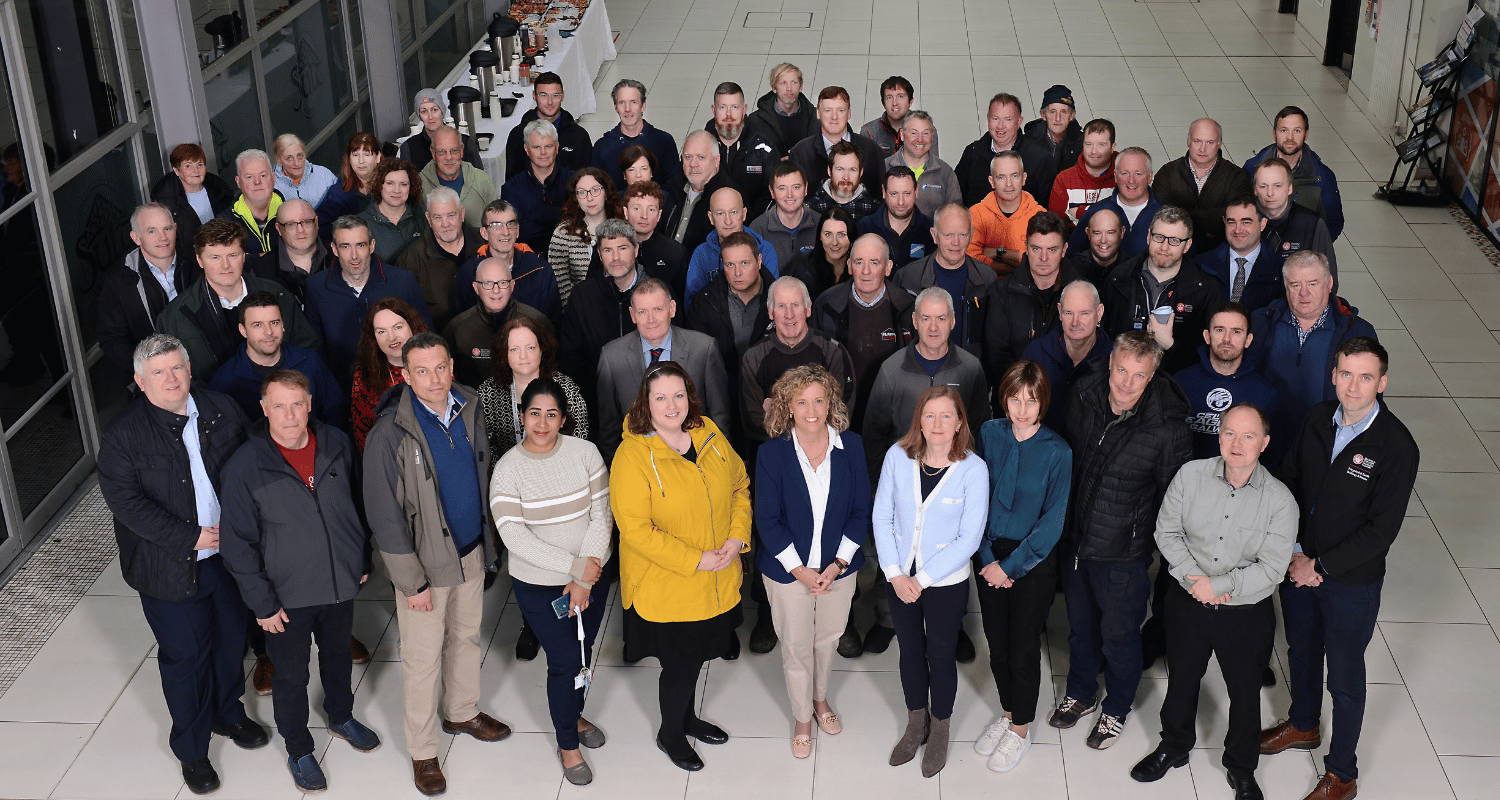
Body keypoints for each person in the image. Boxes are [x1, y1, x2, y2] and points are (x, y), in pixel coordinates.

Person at [96, 334, 266, 795]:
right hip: (168, 568)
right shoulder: (122, 436)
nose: (170, 379)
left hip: (228, 560)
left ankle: (228, 714)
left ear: (190, 370)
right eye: (158, 372)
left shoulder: (221, 409)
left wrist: (244, 523)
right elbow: (127, 506)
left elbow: (250, 465)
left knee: (230, 644)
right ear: (140, 381)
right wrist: (191, 538)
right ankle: (192, 751)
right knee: (185, 659)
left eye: (177, 368)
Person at [1260, 338, 1418, 800]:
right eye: (1345, 374)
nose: (1353, 386)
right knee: (1301, 650)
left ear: (1382, 383)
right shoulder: (1317, 418)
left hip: (1350, 583)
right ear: (1333, 375)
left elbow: (1381, 531)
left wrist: (1320, 566)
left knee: (1345, 680)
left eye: (1365, 377)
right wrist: (1294, 552)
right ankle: (1303, 724)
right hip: (1298, 565)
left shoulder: (1397, 446)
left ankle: (1342, 774)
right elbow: (1288, 481)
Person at [364, 333, 512, 796]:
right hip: (424, 566)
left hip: (471, 550)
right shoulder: (389, 432)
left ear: (451, 366)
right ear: (406, 376)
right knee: (422, 660)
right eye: (422, 371)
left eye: (440, 367)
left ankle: (462, 712)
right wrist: (411, 583)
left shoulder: (469, 406)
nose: (434, 379)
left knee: (466, 636)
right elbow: (384, 516)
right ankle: (423, 751)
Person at [219, 369, 380, 792]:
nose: (289, 415)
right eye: (279, 406)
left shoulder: (336, 443)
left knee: (338, 657)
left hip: (339, 582)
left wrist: (362, 558)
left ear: (309, 404)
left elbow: (357, 506)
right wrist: (262, 603)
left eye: (296, 404)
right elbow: (236, 544)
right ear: (264, 408)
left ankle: (341, 717)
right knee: (290, 676)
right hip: (285, 595)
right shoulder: (245, 466)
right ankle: (299, 749)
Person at [1130, 403, 1297, 800]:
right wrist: (1197, 582)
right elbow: (1167, 532)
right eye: (1229, 433)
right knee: (1182, 679)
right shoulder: (1190, 476)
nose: (1237, 444)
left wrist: (1218, 585)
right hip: (1188, 600)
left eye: (1248, 436)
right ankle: (1174, 745)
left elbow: (1272, 569)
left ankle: (1241, 768)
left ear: (1264, 443)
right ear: (1219, 436)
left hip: (1245, 612)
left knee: (1244, 693)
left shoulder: (1280, 501)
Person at [1050, 331, 1191, 750]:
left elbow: (1173, 501)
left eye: (1139, 375)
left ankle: (1116, 708)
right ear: (1111, 363)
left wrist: (1144, 546)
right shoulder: (1084, 395)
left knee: (1120, 637)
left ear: (1152, 376)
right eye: (1122, 371)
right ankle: (1082, 692)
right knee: (1080, 628)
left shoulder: (1167, 428)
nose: (1127, 383)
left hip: (1123, 554)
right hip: (1077, 542)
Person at [610, 361, 750, 771]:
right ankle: (670, 734)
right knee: (680, 666)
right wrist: (696, 559)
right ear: (645, 403)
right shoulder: (632, 456)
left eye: (678, 395)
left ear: (689, 395)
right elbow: (636, 531)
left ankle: (687, 719)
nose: (671, 405)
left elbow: (739, 485)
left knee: (698, 657)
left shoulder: (708, 432)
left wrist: (736, 538)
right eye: (660, 397)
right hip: (668, 586)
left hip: (716, 579)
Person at [489, 378, 612, 785]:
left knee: (583, 651)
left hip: (593, 576)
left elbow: (602, 514)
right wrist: (574, 568)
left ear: (563, 419)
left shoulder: (585, 453)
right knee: (564, 661)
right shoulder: (507, 469)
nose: (542, 424)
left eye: (551, 414)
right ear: (521, 416)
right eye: (534, 414)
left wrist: (586, 576)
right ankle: (567, 743)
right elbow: (514, 536)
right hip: (542, 586)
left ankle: (572, 716)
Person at [754, 365, 870, 758]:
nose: (811, 410)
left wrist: (837, 565)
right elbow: (767, 520)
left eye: (819, 400)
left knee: (827, 639)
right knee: (796, 646)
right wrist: (801, 571)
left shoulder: (851, 446)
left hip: (839, 569)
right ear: (787, 407)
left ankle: (820, 700)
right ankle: (802, 717)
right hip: (789, 573)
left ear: (830, 403)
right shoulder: (771, 454)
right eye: (801, 402)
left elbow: (861, 511)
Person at [873, 385, 988, 777]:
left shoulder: (973, 469)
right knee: (909, 652)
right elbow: (882, 516)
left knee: (940, 656)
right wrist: (894, 573)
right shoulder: (897, 456)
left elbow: (969, 539)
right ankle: (915, 723)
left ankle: (940, 728)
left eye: (946, 416)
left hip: (945, 583)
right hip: (898, 577)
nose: (937, 424)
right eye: (929, 415)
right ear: (919, 421)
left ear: (959, 423)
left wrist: (919, 579)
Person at [971, 360, 1072, 773]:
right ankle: (1008, 712)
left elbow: (1052, 523)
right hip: (988, 554)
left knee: (1023, 649)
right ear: (1004, 399)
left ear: (1042, 402)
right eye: (1015, 399)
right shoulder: (989, 433)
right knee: (996, 646)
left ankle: (1021, 730)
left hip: (1031, 560)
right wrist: (985, 557)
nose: (1023, 409)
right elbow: (974, 496)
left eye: (1031, 400)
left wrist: (1009, 567)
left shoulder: (1058, 451)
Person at [1244, 250, 1375, 466]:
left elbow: (1370, 400)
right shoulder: (1260, 322)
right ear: (1286, 286)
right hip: (1266, 447)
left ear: (1329, 283)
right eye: (1295, 285)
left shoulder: (1357, 332)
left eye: (1312, 284)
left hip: (1326, 450)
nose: (1304, 293)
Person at [158, 218, 320, 386]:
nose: (225, 265)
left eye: (232, 255)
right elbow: (175, 378)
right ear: (200, 260)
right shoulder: (175, 317)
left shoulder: (277, 295)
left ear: (243, 256)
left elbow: (308, 348)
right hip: (216, 401)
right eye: (215, 257)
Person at [596, 278, 731, 463]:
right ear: (632, 314)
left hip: (697, 461)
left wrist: (720, 463)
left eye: (658, 309)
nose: (651, 319)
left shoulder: (703, 348)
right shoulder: (612, 357)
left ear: (672, 309)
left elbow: (720, 418)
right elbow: (608, 429)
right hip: (640, 465)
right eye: (642, 312)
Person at [304, 215, 432, 382]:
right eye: (345, 246)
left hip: (400, 384)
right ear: (334, 249)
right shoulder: (315, 287)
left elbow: (425, 338)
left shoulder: (403, 281)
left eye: (361, 245)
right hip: (342, 388)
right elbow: (315, 350)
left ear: (372, 246)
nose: (354, 255)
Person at [811, 234, 916, 431]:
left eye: (874, 263)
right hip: (839, 419)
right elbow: (814, 367)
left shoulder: (908, 308)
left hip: (893, 421)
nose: (866, 271)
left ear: (888, 267)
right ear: (850, 266)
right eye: (859, 262)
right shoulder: (825, 305)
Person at [1100, 206, 1219, 374]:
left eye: (1174, 240)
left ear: (1187, 245)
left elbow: (1210, 354)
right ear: (1149, 236)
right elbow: (1103, 340)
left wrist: (1170, 345)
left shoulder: (1206, 289)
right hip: (1125, 379)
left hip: (1175, 382)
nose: (1164, 247)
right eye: (1159, 237)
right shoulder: (1118, 279)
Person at [740, 276, 856, 447]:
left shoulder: (833, 352)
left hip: (824, 451)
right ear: (770, 312)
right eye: (781, 306)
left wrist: (777, 410)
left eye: (795, 305)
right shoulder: (753, 358)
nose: (789, 314)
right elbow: (753, 421)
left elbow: (841, 414)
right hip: (775, 452)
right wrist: (809, 419)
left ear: (808, 308)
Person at [684, 232, 774, 448]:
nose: (737, 272)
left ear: (759, 260)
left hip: (771, 405)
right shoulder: (704, 304)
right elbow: (697, 366)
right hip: (724, 406)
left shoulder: (780, 298)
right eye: (730, 265)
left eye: (745, 263)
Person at [208, 291, 344, 427]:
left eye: (274, 322)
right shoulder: (224, 381)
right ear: (243, 330)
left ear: (282, 324)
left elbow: (337, 412)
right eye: (257, 325)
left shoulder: (309, 361)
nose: (268, 332)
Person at [98, 202, 202, 373]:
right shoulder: (119, 284)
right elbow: (112, 339)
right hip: (157, 376)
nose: (163, 237)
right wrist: (150, 370)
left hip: (207, 365)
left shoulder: (198, 262)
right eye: (152, 231)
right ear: (136, 238)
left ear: (175, 229)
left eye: (167, 229)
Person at [1174, 302, 1282, 459]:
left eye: (1236, 332)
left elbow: (1271, 453)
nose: (1227, 339)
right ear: (1207, 336)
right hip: (1185, 473)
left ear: (1248, 340)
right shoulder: (1180, 382)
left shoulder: (1266, 393)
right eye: (1220, 330)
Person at [982, 211, 1078, 383]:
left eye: (1052, 250)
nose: (1043, 258)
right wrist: (1027, 392)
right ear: (1026, 247)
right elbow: (997, 355)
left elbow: (1087, 351)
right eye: (1036, 249)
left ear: (1064, 250)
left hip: (1067, 395)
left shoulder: (1082, 293)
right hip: (1016, 392)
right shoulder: (1002, 292)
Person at [893, 203, 996, 356]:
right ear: (934, 235)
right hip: (920, 367)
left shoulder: (987, 277)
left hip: (971, 368)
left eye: (963, 235)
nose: (956, 243)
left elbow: (994, 337)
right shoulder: (907, 278)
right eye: (948, 235)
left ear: (971, 234)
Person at [446, 256, 553, 390]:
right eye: (487, 283)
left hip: (528, 398)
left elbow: (551, 368)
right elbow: (450, 376)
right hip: (477, 401)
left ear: (512, 286)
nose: (495, 290)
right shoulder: (457, 328)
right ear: (476, 288)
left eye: (502, 282)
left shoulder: (537, 322)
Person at [1021, 280, 1113, 434]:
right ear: (1060, 311)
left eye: (1084, 313)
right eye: (1069, 313)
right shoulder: (1035, 354)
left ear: (1099, 312)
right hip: (1043, 445)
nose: (1075, 322)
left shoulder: (1114, 360)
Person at [1152, 118, 1253, 256]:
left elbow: (1236, 219)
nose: (1202, 149)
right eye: (1197, 141)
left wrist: (1182, 215)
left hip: (1220, 254)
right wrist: (1211, 223)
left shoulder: (1236, 176)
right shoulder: (1167, 173)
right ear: (1188, 141)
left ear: (1219, 143)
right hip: (1174, 252)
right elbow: (1158, 216)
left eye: (1210, 142)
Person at [1242, 105, 1344, 240]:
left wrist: (1310, 247)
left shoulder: (1323, 176)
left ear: (1306, 135)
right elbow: (1239, 213)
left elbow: (1333, 223)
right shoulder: (1252, 169)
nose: (1290, 137)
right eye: (1284, 130)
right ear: (1274, 134)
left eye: (1297, 131)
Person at [454, 199, 560, 323]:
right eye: (496, 226)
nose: (505, 232)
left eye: (510, 224)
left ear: (518, 230)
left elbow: (552, 322)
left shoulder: (539, 268)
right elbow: (466, 323)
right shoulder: (469, 272)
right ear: (484, 233)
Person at [398, 187, 483, 332]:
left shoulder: (485, 242)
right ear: (428, 219)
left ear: (462, 213)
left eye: (451, 215)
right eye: (438, 217)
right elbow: (406, 314)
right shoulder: (410, 259)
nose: (445, 224)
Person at [349, 298, 428, 451]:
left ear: (411, 326)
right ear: (373, 337)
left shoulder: (434, 359)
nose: (391, 337)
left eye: (397, 327)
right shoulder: (364, 375)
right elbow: (362, 433)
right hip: (389, 456)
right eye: (382, 332)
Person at [956, 93, 1056, 207]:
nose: (1000, 126)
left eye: (1008, 119)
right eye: (995, 119)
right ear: (988, 119)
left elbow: (1046, 209)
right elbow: (957, 198)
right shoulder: (972, 152)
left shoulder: (1041, 159)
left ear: (1019, 122)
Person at [683, 186, 780, 304]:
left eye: (734, 212)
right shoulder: (701, 254)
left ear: (744, 214)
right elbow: (692, 304)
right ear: (711, 218)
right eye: (720, 213)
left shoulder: (765, 250)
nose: (728, 221)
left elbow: (773, 299)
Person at [788, 86, 885, 199]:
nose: (834, 117)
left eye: (840, 110)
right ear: (818, 113)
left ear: (849, 113)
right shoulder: (800, 152)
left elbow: (881, 198)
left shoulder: (871, 150)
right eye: (828, 110)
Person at [1066, 147, 1161, 260]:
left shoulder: (1165, 214)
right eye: (1125, 173)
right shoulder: (1094, 213)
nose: (1131, 180)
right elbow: (1071, 259)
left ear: (1150, 177)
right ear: (1115, 176)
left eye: (1138, 174)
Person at [1254, 158, 1337, 281]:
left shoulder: (1313, 224)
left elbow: (1329, 280)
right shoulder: (1241, 223)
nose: (1270, 193)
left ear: (1290, 188)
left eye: (1277, 186)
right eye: (1263, 186)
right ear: (1255, 190)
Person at [703, 81, 778, 216]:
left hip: (752, 224)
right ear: (714, 110)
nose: (728, 114)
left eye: (735, 107)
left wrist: (746, 222)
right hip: (709, 222)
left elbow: (772, 193)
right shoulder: (700, 147)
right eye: (722, 107)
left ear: (744, 110)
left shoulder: (764, 149)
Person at [1199, 195, 1284, 312]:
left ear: (1263, 224)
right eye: (1231, 222)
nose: (1237, 230)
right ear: (1224, 222)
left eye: (1246, 222)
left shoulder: (1281, 270)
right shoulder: (1201, 265)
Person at [548, 167, 622, 302]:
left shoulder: (623, 228)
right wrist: (579, 310)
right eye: (582, 192)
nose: (589, 198)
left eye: (595, 190)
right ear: (575, 199)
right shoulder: (563, 233)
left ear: (606, 193)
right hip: (578, 307)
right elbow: (560, 285)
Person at [501, 120, 575, 254]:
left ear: (557, 148)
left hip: (570, 256)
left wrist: (535, 215)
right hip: (527, 259)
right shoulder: (511, 188)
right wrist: (559, 219)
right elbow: (516, 232)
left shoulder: (575, 181)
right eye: (536, 147)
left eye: (548, 146)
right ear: (526, 149)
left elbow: (578, 226)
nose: (543, 152)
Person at [503, 72, 593, 179]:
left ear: (562, 96)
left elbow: (588, 178)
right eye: (543, 95)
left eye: (555, 95)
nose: (550, 102)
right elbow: (512, 181)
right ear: (534, 96)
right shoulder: (518, 135)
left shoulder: (579, 136)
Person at [592, 79, 681, 188]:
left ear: (643, 106)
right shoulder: (602, 147)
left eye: (633, 102)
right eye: (622, 103)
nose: (627, 109)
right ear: (615, 107)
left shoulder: (664, 142)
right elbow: (598, 188)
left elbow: (674, 185)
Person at [151, 143, 234, 259]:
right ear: (177, 171)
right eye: (188, 166)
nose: (196, 171)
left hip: (225, 252)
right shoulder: (166, 202)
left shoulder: (220, 190)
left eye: (200, 165)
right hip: (191, 261)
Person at [968, 151, 1044, 276]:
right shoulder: (976, 214)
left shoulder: (1040, 215)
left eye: (1014, 176)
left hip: (1028, 286)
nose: (1009, 184)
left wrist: (997, 253)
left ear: (1024, 178)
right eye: (1001, 177)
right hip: (986, 286)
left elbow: (1042, 259)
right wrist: (1020, 265)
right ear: (992, 181)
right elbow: (971, 260)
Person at [662, 130, 736, 257]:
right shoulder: (673, 189)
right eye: (688, 157)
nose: (693, 164)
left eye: (701, 157)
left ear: (717, 160)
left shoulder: (729, 197)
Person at [620, 181, 689, 302]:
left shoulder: (676, 253)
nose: (644, 215)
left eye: (651, 209)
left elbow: (681, 301)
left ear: (659, 215)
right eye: (637, 208)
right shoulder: (612, 249)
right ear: (626, 212)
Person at [251, 199, 331, 303]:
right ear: (279, 229)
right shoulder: (261, 272)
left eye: (306, 222)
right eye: (291, 224)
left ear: (316, 223)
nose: (300, 230)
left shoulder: (339, 256)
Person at [885, 111, 960, 220]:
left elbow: (955, 215)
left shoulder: (945, 172)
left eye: (925, 133)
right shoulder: (884, 167)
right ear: (902, 135)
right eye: (914, 133)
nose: (920, 139)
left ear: (932, 136)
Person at [420, 126, 497, 230]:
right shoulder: (420, 185)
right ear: (433, 153)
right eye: (441, 151)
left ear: (462, 151)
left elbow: (497, 222)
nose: (448, 157)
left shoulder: (481, 179)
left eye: (454, 150)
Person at [856, 166, 933, 269]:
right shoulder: (865, 227)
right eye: (894, 194)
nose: (901, 202)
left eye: (906, 193)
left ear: (916, 191)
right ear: (884, 192)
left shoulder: (931, 230)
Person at [1020, 84, 1083, 206]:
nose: (1058, 118)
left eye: (1063, 112)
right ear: (1043, 115)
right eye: (1053, 112)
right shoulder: (1027, 143)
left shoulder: (1082, 144)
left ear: (1072, 116)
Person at [749, 161, 819, 268]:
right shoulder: (757, 230)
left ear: (805, 189)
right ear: (772, 192)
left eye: (796, 187)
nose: (789, 195)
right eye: (782, 188)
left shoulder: (822, 224)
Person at [315, 132, 383, 242]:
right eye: (355, 155)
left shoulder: (393, 184)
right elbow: (320, 227)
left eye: (367, 154)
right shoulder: (337, 194)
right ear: (349, 159)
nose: (361, 161)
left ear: (378, 157)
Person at [398, 88, 485, 172]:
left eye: (434, 110)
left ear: (442, 113)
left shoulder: (465, 143)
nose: (430, 117)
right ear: (419, 116)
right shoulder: (409, 148)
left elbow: (480, 178)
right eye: (424, 111)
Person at [358, 157, 427, 264]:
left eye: (403, 184)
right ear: (379, 185)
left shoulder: (422, 216)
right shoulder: (361, 224)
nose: (396, 190)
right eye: (390, 183)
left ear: (411, 187)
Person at [1048, 118, 1116, 224]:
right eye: (1089, 144)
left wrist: (1081, 212)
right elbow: (1055, 226)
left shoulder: (1124, 177)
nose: (1094, 151)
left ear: (1112, 147)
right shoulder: (1064, 179)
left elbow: (1126, 216)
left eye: (1101, 145)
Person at [745, 62, 819, 157]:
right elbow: (750, 158)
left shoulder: (817, 118)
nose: (789, 88)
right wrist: (776, 162)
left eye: (794, 82)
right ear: (774, 88)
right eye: (783, 83)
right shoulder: (755, 121)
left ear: (801, 87)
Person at [786, 207, 857, 301]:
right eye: (828, 234)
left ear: (851, 236)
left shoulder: (861, 268)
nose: (834, 242)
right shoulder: (804, 271)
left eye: (841, 234)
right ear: (820, 236)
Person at [861, 76, 939, 159]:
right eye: (889, 97)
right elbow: (863, 165)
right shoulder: (869, 131)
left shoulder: (927, 130)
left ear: (910, 101)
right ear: (883, 103)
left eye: (900, 96)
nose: (894, 103)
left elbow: (934, 164)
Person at [224, 148, 283, 257]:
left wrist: (249, 258)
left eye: (263, 175)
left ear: (273, 178)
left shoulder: (294, 213)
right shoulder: (225, 224)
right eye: (249, 177)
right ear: (238, 182)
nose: (257, 182)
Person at [807, 140, 881, 223]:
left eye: (852, 170)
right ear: (829, 171)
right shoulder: (809, 209)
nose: (846, 177)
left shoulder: (877, 211)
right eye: (840, 169)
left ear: (861, 172)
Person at [1062, 207, 1122, 290]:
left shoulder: (1133, 271)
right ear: (1088, 233)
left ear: (1122, 232)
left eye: (1110, 233)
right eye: (1097, 233)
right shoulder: (1070, 270)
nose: (1103, 240)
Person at [271, 134, 338, 209]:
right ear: (279, 161)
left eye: (300, 155)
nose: (297, 163)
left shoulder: (324, 175)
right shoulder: (271, 185)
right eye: (289, 158)